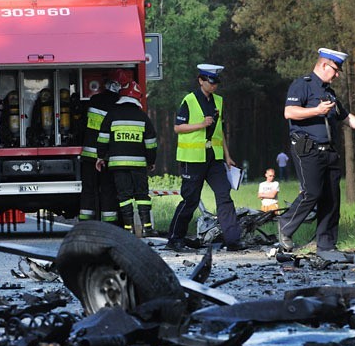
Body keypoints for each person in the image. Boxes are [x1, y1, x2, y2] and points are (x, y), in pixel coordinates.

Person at [276, 48, 355, 253]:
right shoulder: (302, 85)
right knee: (312, 192)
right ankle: (285, 225)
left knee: (331, 198)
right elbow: (289, 112)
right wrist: (316, 111)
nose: (337, 74)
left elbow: (346, 118)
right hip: (307, 148)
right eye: (335, 69)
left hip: (329, 151)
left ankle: (327, 244)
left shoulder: (330, 93)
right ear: (323, 65)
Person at [166, 64, 246, 252]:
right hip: (192, 158)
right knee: (190, 200)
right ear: (201, 81)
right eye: (211, 82)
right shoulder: (189, 100)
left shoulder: (219, 101)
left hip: (214, 158)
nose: (214, 86)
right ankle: (174, 238)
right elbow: (178, 128)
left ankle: (233, 239)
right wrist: (200, 124)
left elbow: (220, 131)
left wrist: (227, 156)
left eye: (216, 82)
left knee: (224, 195)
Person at [96, 81, 158, 236]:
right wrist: (151, 161)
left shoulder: (112, 115)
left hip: (118, 165)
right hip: (138, 165)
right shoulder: (142, 117)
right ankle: (147, 228)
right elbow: (151, 143)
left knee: (124, 196)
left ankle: (128, 229)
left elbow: (102, 138)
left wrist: (100, 157)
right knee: (142, 195)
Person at [79, 69, 132, 224]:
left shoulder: (94, 100)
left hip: (89, 155)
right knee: (108, 189)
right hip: (108, 156)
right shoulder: (119, 104)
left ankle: (85, 222)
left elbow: (82, 126)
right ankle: (110, 223)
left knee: (88, 189)